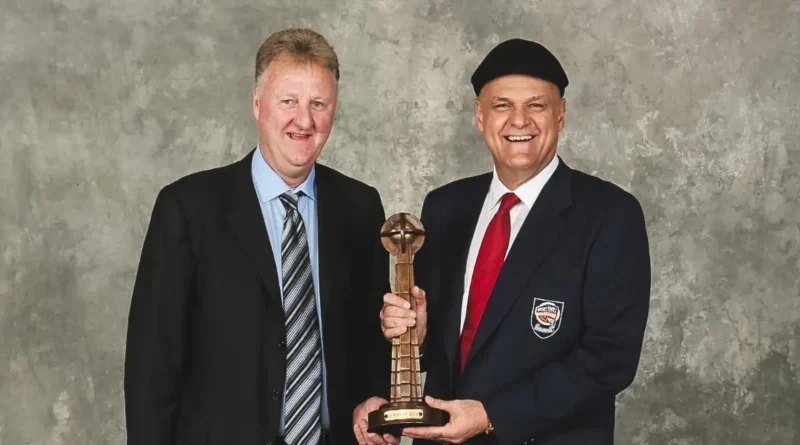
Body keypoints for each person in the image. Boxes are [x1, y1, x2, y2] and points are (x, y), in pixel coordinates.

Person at [375, 39, 651, 445]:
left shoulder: (609, 214)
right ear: (480, 116)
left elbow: (610, 359)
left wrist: (492, 415)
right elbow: (447, 346)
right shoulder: (445, 207)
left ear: (561, 114)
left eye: (536, 105)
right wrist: (418, 334)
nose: (519, 121)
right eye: (502, 105)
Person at [124, 28, 391, 445]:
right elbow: (152, 367)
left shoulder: (361, 207)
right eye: (288, 101)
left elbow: (374, 340)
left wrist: (376, 397)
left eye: (318, 104)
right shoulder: (189, 209)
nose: (304, 120)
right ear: (257, 103)